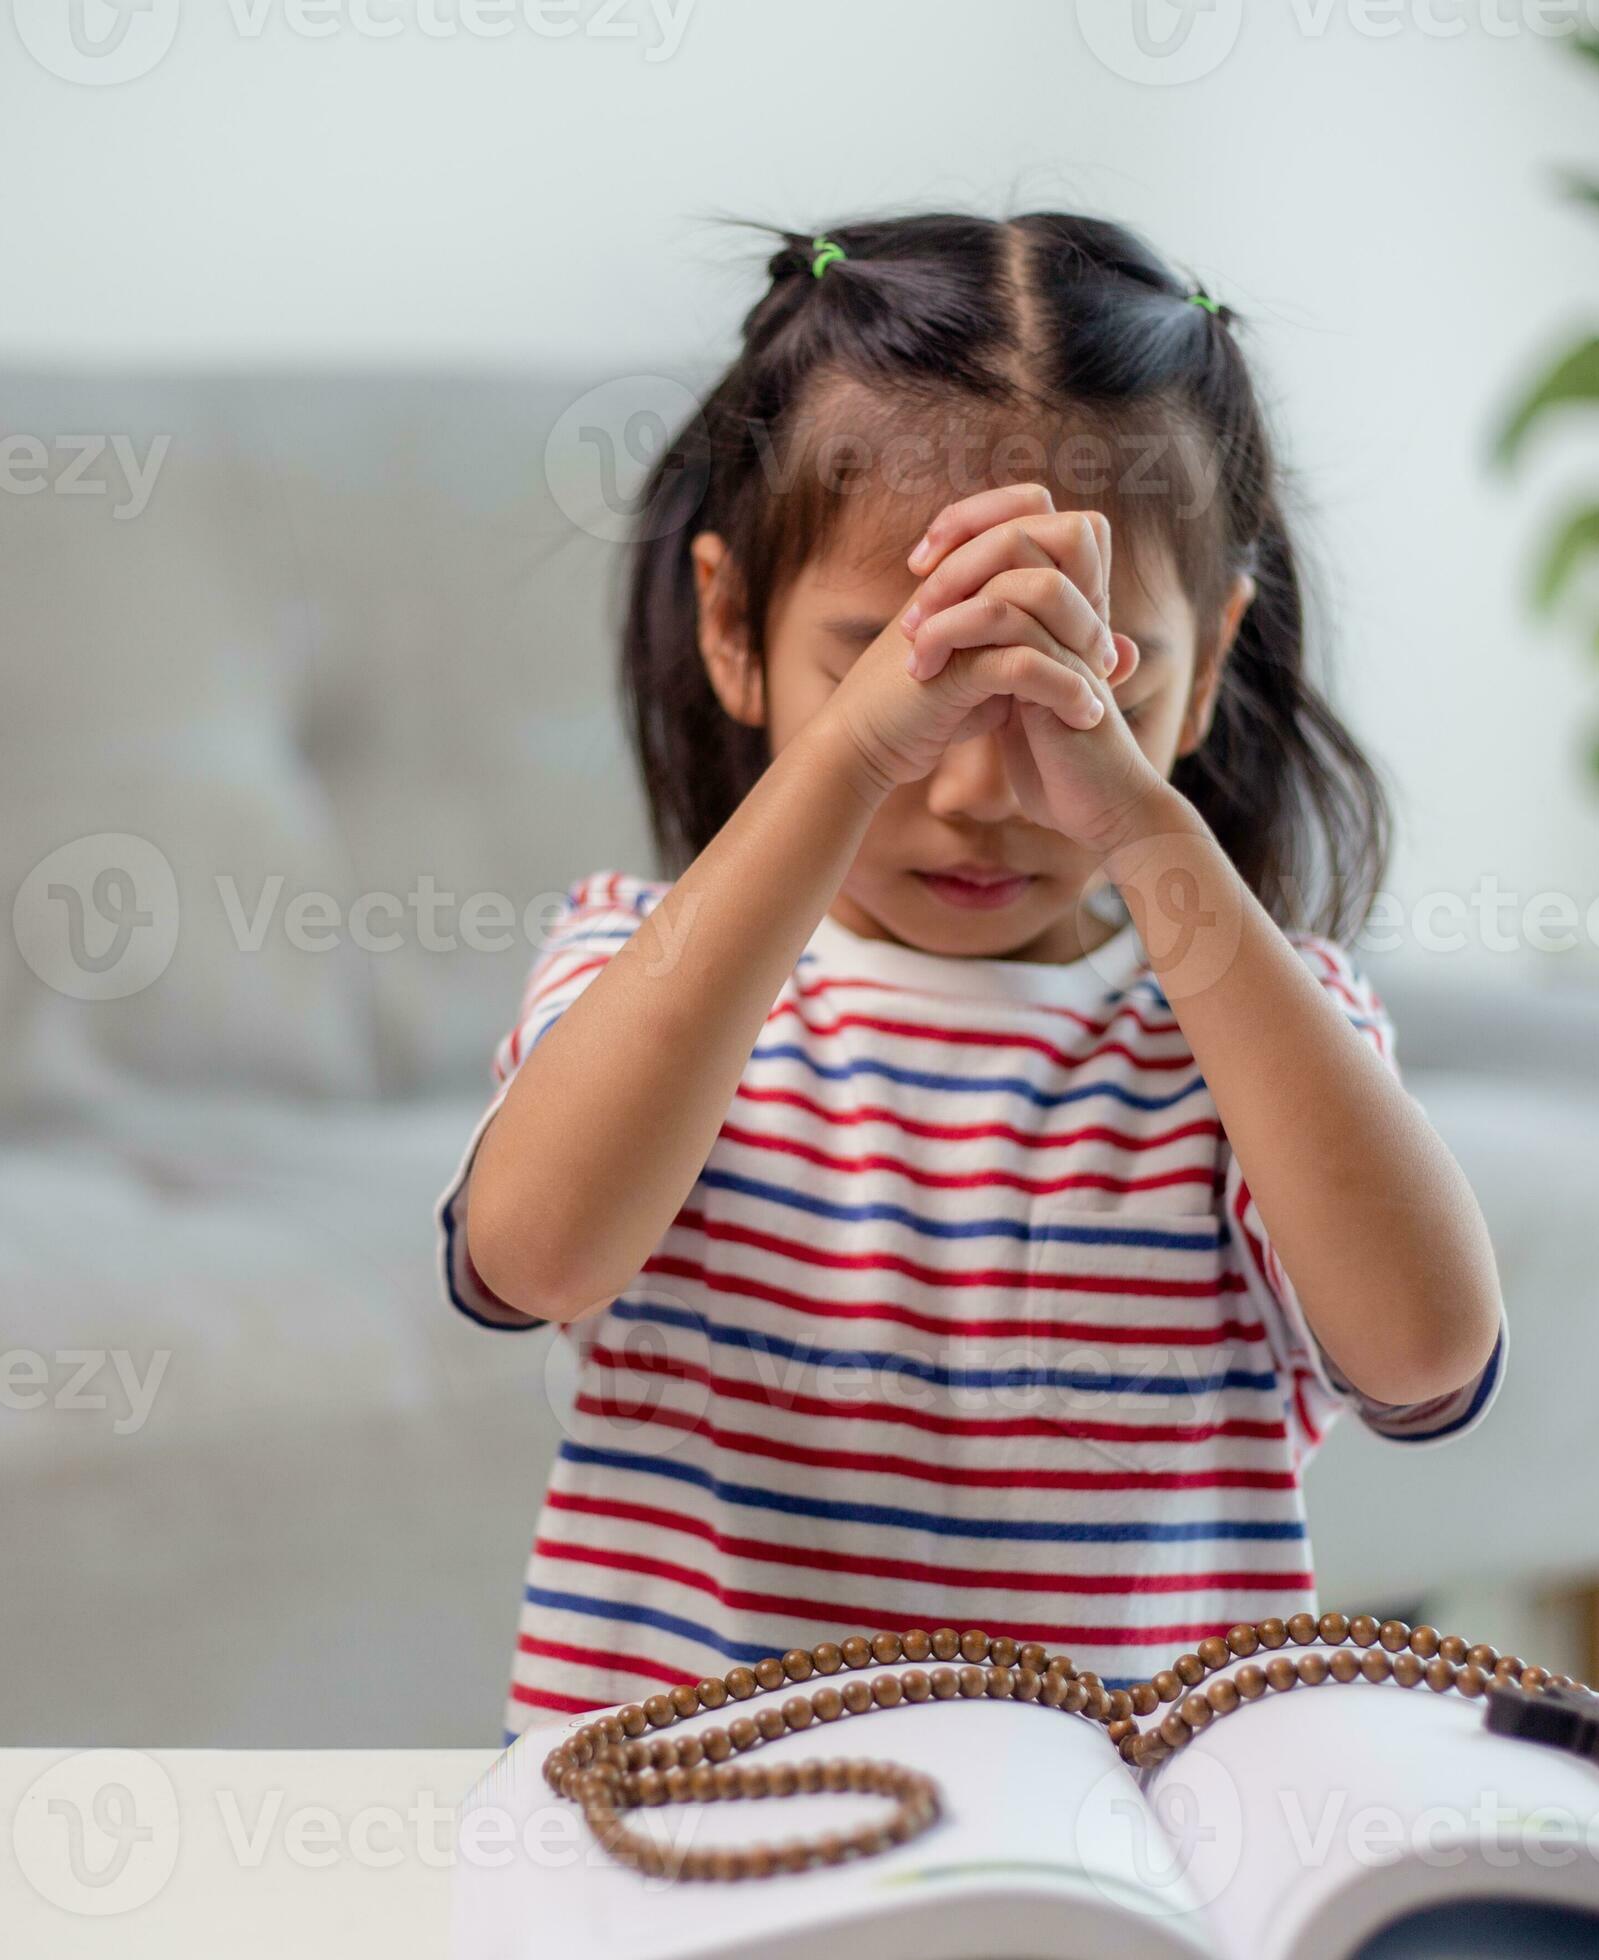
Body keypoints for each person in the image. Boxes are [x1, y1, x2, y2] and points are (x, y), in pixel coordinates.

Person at [439, 212, 1505, 1740]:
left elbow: (1427, 1352)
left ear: (1209, 663)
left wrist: (1142, 820)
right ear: (732, 627)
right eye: (896, 673)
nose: (980, 788)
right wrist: (849, 754)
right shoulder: (637, 965)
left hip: (1120, 1838)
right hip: (682, 1826)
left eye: (1084, 684)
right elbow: (535, 1257)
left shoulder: (1261, 1039)